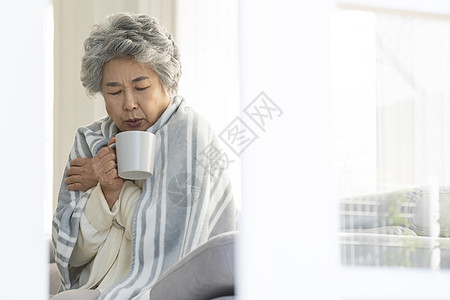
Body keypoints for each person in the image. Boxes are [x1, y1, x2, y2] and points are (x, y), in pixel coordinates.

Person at [51, 12, 235, 300]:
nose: (129, 104)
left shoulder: (188, 134)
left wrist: (114, 188)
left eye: (141, 88)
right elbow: (73, 255)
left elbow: (173, 240)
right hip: (94, 285)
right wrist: (105, 198)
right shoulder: (90, 140)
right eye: (113, 91)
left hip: (153, 287)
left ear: (167, 83)